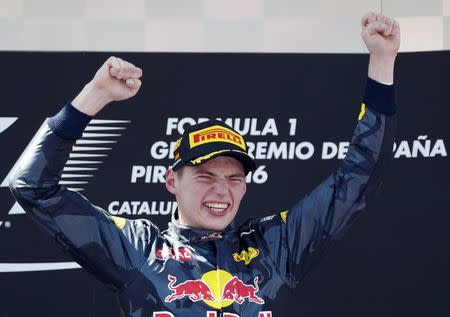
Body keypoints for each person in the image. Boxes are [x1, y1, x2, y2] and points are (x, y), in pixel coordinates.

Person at [9, 12, 400, 317]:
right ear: (170, 181)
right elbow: (32, 188)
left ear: (246, 186)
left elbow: (359, 177)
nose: (221, 190)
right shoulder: (137, 248)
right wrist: (94, 96)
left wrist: (382, 62)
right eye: (205, 175)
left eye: (233, 178)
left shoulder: (276, 247)